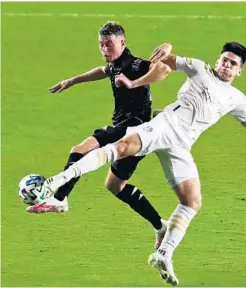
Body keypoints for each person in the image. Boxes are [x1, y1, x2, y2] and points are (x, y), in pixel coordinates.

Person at [32, 41, 246, 286]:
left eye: (233, 64)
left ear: (239, 71)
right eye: (225, 60)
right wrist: (167, 49)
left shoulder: (237, 99)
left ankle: (163, 254)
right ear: (218, 61)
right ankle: (57, 181)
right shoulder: (199, 68)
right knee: (120, 148)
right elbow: (168, 61)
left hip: (181, 145)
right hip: (165, 125)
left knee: (192, 202)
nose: (227, 65)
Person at [27, 21, 172, 249]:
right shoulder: (114, 64)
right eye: (101, 45)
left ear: (123, 43)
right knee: (115, 186)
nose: (105, 49)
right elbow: (102, 71)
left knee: (80, 149)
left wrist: (134, 83)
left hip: (134, 129)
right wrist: (72, 81)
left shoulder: (134, 65)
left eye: (109, 44)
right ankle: (161, 226)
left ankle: (59, 199)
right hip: (128, 133)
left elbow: (164, 69)